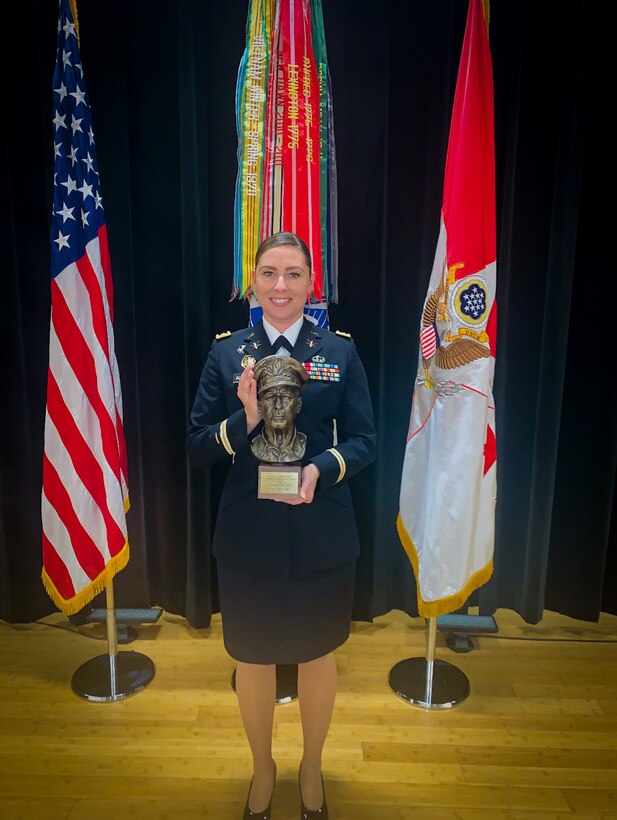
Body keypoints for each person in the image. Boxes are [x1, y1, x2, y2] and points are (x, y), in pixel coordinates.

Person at [188, 231, 376, 819]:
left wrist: (322, 468)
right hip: (250, 535)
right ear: (253, 282)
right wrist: (241, 420)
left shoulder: (339, 352)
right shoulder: (226, 354)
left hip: (322, 530)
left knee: (319, 655)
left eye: (293, 274)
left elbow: (367, 440)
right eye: (268, 273)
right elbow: (196, 447)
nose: (280, 286)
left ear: (310, 283)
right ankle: (263, 767)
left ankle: (312, 764)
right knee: (255, 657)